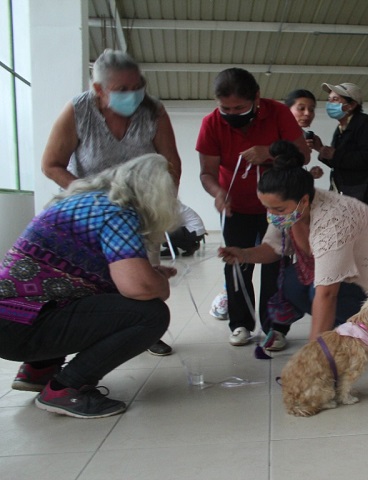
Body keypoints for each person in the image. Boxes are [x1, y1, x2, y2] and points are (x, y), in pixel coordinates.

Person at [0, 154, 179, 418]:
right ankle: (65, 388)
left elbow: (88, 273)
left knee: (79, 296)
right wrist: (159, 283)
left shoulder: (81, 202)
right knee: (151, 314)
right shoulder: (117, 212)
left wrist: (145, 273)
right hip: (22, 329)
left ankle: (39, 370)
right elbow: (138, 288)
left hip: (13, 321)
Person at [40, 48, 181, 357]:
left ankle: (144, 331)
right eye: (121, 90)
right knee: (92, 279)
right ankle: (78, 343)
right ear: (99, 90)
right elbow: (51, 164)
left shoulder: (153, 111)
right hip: (88, 214)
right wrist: (95, 197)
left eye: (137, 86)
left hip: (138, 213)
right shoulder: (78, 111)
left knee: (144, 277)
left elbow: (171, 163)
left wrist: (162, 208)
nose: (132, 95)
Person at [218, 141, 368, 351]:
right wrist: (243, 254)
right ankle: (346, 329)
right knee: (292, 284)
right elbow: (272, 248)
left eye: (277, 209)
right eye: (267, 208)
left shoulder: (332, 219)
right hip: (357, 260)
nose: (272, 215)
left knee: (319, 294)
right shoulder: (290, 209)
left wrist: (313, 356)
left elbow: (326, 294)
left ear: (303, 201)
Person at [197, 67, 311, 347]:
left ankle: (276, 328)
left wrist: (270, 151)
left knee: (277, 264)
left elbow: (304, 155)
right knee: (236, 263)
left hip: (276, 207)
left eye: (239, 107)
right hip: (235, 208)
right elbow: (206, 173)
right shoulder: (212, 123)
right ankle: (240, 325)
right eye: (226, 108)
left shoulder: (278, 113)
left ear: (257, 98)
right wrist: (218, 193)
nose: (232, 114)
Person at [306, 82, 368, 216]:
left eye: (335, 100)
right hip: (348, 195)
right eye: (329, 100)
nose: (330, 104)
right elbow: (341, 162)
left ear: (351, 105)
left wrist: (335, 154)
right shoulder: (341, 128)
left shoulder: (366, 124)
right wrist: (321, 149)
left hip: (367, 197)